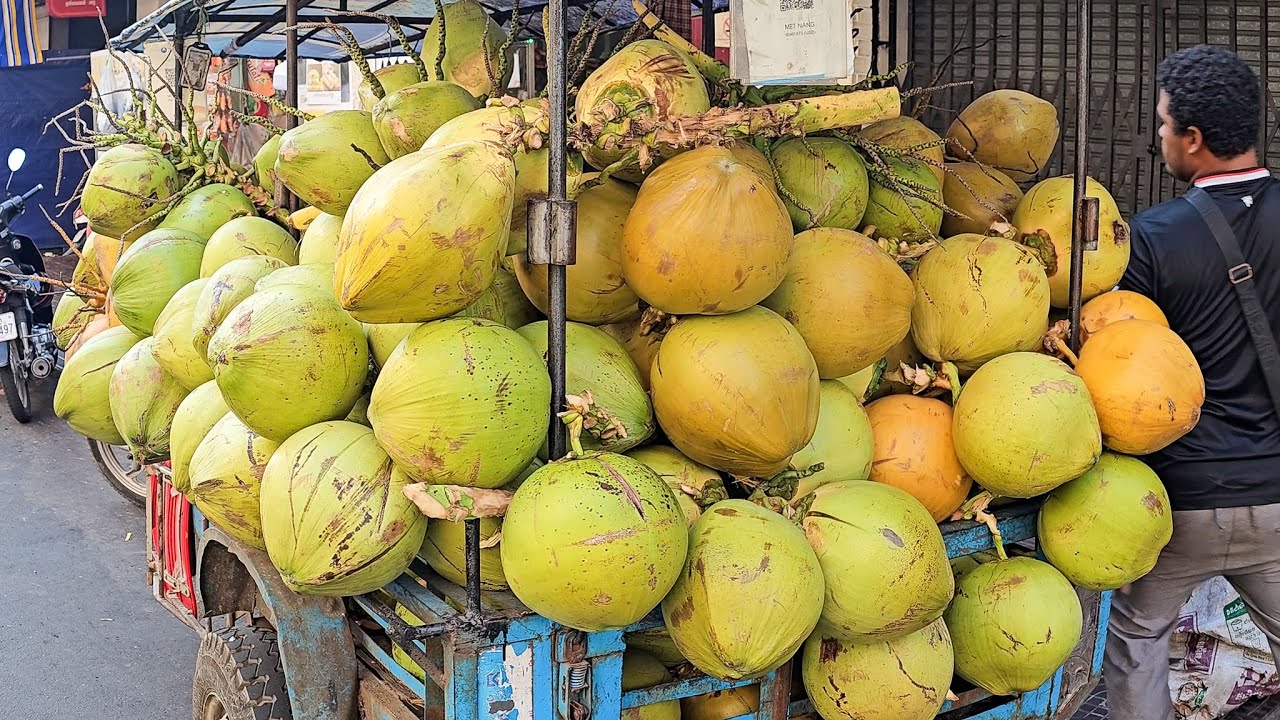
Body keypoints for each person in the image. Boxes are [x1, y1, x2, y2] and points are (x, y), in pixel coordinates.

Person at [1105, 44, 1280, 719]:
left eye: (1161, 125)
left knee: (1137, 641)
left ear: (1194, 138)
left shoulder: (1150, 238)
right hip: (1273, 498)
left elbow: (1122, 363)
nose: (1159, 139)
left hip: (1179, 502)